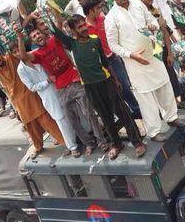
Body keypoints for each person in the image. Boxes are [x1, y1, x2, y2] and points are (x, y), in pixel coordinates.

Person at [57, 14, 147, 159]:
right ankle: (116, 144)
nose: (84, 28)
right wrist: (54, 16)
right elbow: (57, 33)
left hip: (106, 81)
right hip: (90, 87)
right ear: (73, 31)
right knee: (106, 117)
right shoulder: (72, 44)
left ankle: (137, 142)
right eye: (80, 27)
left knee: (122, 112)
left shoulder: (95, 40)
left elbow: (105, 62)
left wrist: (115, 79)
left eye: (84, 24)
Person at [105, 0, 185, 142]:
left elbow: (153, 20)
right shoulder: (111, 17)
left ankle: (171, 117)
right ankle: (154, 131)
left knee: (164, 83)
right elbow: (113, 45)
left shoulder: (138, 5)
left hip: (152, 53)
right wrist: (131, 54)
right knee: (145, 96)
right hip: (135, 62)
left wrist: (153, 25)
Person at [16, 21, 109, 156]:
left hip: (74, 79)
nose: (37, 36)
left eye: (38, 33)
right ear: (33, 41)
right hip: (61, 87)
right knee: (72, 119)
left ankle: (102, 141)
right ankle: (89, 143)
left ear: (43, 33)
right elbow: (24, 57)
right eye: (34, 36)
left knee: (88, 112)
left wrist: (51, 12)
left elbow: (58, 25)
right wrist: (19, 36)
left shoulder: (55, 40)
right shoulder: (37, 54)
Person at [0, 44, 65, 158]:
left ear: (2, 55)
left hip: (31, 97)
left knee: (47, 121)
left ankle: (65, 142)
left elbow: (7, 45)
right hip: (19, 103)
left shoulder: (11, 59)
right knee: (30, 127)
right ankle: (38, 147)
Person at [14, 45, 79, 157]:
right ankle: (72, 146)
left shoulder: (35, 54)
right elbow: (32, 87)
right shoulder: (21, 69)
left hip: (59, 86)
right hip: (48, 95)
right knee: (60, 119)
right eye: (15, 52)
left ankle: (85, 136)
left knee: (73, 110)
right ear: (13, 55)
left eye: (18, 50)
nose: (18, 53)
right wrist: (47, 81)